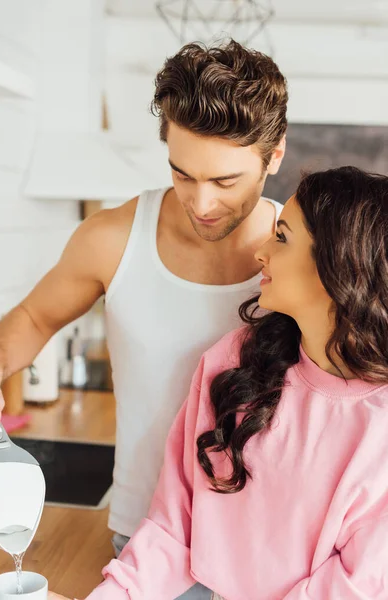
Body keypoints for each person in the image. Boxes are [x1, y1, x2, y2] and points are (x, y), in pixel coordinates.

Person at [0, 41, 287, 600]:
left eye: (226, 182)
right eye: (182, 174)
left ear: (274, 156)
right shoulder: (113, 237)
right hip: (147, 537)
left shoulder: (304, 256)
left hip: (268, 544)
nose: (201, 203)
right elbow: (32, 317)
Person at [50, 166, 388, 600]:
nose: (261, 252)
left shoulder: (378, 428)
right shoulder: (232, 363)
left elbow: (356, 584)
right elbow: (175, 525)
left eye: (281, 237)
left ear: (338, 265)